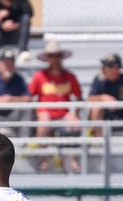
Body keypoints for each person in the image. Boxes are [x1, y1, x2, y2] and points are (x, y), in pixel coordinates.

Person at [28, 40, 83, 173]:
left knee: (74, 122)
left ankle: (72, 159)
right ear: (47, 58)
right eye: (51, 56)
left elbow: (79, 97)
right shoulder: (39, 76)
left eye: (57, 55)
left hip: (63, 114)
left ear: (62, 57)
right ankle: (43, 159)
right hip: (45, 113)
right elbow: (29, 96)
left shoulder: (70, 76)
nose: (55, 59)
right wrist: (36, 112)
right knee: (44, 120)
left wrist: (75, 112)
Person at [88, 53, 123, 137]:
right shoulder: (99, 79)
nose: (103, 69)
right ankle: (98, 142)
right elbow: (90, 98)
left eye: (108, 67)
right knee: (96, 108)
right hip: (105, 116)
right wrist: (103, 97)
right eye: (104, 66)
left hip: (121, 114)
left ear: (117, 68)